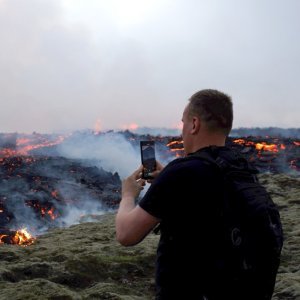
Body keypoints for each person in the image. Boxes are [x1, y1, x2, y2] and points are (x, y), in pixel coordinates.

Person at [115, 89, 282, 300]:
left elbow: (126, 234)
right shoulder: (239, 167)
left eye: (183, 123)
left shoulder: (182, 172)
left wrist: (128, 195)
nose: (182, 130)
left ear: (194, 124)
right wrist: (167, 177)